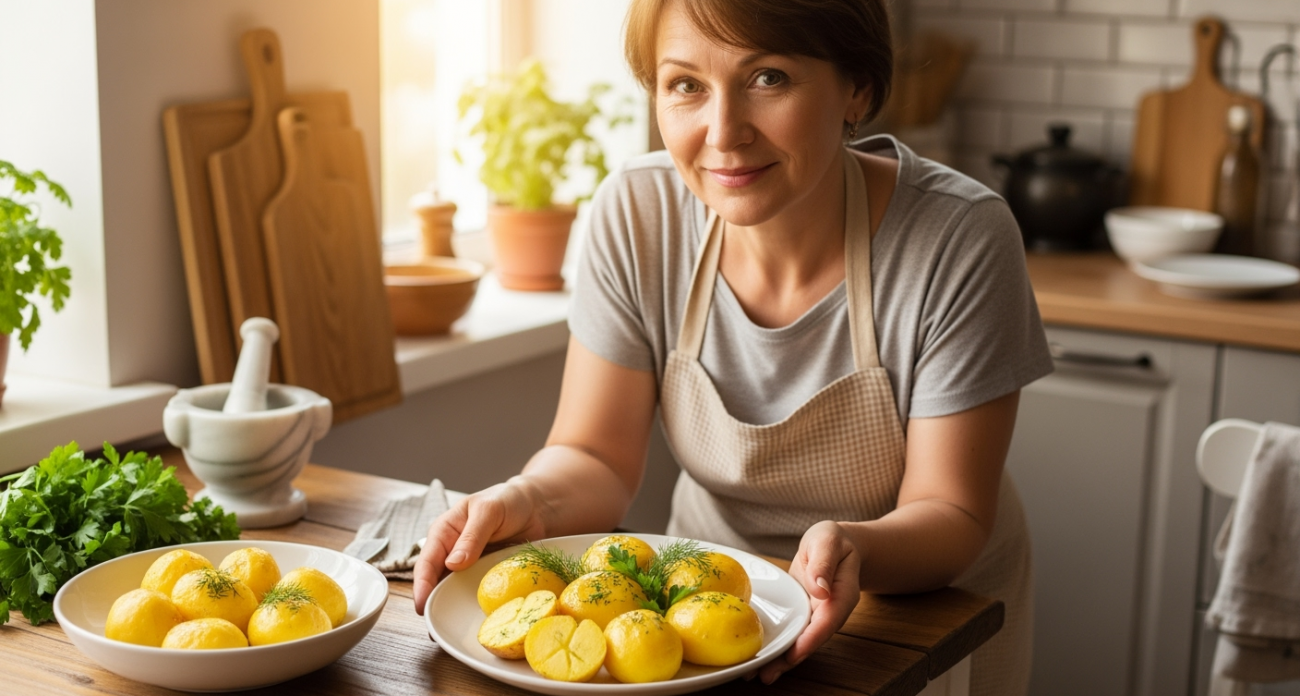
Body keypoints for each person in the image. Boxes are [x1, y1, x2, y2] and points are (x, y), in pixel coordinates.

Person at [413, 1, 1053, 693]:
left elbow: (952, 513)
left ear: (857, 89)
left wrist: (855, 550)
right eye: (686, 85)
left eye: (769, 78)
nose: (723, 132)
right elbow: (595, 456)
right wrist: (527, 499)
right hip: (702, 612)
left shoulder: (960, 238)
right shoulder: (637, 214)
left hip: (916, 613)